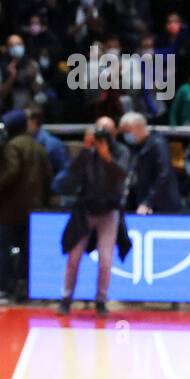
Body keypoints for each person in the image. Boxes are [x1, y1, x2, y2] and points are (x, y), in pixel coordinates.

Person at [58, 118, 131, 317]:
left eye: (106, 130)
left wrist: (107, 157)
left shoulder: (121, 151)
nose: (102, 134)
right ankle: (66, 298)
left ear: (114, 132)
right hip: (85, 210)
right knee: (73, 257)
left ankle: (101, 300)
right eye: (99, 130)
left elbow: (122, 175)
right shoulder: (87, 152)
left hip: (109, 211)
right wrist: (85, 149)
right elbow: (70, 176)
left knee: (106, 260)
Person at [0, 109, 50, 301]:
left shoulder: (12, 146)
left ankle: (2, 287)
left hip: (11, 208)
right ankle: (25, 288)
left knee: (4, 249)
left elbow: (12, 170)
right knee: (27, 251)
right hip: (34, 208)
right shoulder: (38, 146)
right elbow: (48, 175)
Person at [119, 111, 180, 213]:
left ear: (139, 127)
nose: (126, 135)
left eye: (128, 131)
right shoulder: (134, 147)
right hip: (139, 202)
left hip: (161, 206)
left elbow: (164, 174)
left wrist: (148, 201)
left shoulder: (158, 144)